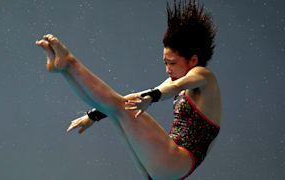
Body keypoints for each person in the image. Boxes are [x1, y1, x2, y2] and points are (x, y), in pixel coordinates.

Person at [35, 0, 221, 179]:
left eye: (172, 63)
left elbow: (175, 87)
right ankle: (65, 69)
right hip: (163, 167)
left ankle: (69, 62)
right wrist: (93, 116)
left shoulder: (204, 76)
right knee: (117, 108)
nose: (168, 69)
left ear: (193, 60)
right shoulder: (178, 79)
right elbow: (137, 97)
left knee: (118, 107)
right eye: (165, 63)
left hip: (176, 161)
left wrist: (152, 98)